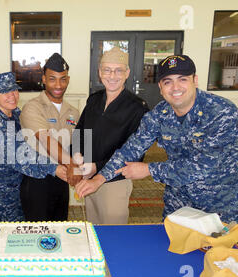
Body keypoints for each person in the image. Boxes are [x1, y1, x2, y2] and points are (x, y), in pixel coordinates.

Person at [76, 55, 238, 223]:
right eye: (167, 81)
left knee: (219, 250)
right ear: (160, 87)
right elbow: (131, 149)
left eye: (182, 79)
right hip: (179, 204)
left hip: (220, 205)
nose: (175, 87)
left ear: (194, 80)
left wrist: (149, 170)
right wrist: (99, 179)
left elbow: (202, 166)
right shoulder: (160, 114)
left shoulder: (222, 112)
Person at [72, 47, 149, 224]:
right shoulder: (94, 100)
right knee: (94, 230)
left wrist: (96, 166)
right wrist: (78, 160)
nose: (112, 75)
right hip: (88, 177)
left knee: (113, 235)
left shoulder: (137, 108)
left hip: (115, 181)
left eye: (118, 70)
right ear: (99, 72)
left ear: (127, 72)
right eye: (107, 70)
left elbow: (136, 154)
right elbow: (80, 133)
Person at [0, 72, 67, 222]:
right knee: (5, 232)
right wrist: (55, 168)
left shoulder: (15, 113)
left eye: (14, 90)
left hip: (17, 182)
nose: (12, 95)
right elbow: (23, 156)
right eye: (4, 92)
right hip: (0, 190)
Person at [20, 53, 81, 222]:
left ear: (68, 80)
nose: (58, 85)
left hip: (62, 180)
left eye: (63, 79)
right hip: (37, 181)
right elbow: (46, 140)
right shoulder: (33, 107)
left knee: (59, 229)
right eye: (52, 79)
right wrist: (72, 166)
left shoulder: (73, 112)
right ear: (44, 79)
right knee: (37, 233)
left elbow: (77, 144)